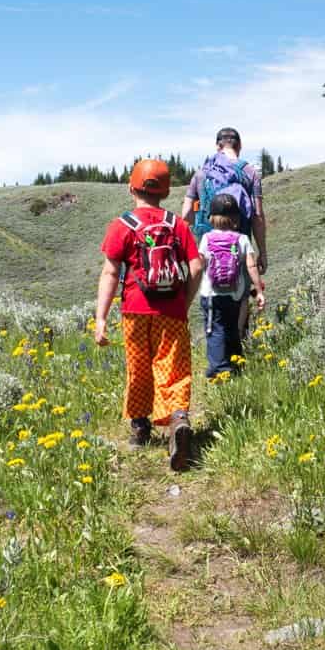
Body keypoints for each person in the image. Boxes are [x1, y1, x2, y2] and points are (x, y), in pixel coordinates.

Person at [95, 158, 203, 470]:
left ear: (132, 187)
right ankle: (178, 420)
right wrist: (184, 301)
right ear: (166, 192)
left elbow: (110, 273)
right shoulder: (176, 224)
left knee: (139, 368)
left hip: (134, 309)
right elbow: (196, 266)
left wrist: (101, 318)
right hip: (171, 310)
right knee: (172, 368)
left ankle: (140, 429)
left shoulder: (123, 225)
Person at [183, 127, 266, 277]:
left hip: (208, 249)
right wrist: (262, 252)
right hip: (239, 247)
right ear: (239, 146)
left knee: (210, 291)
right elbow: (257, 216)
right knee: (240, 295)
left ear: (217, 146)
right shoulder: (250, 172)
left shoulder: (201, 173)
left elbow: (186, 214)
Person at [198, 192, 265, 378]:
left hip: (211, 294)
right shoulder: (242, 239)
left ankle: (219, 371)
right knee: (233, 329)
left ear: (211, 217)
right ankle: (236, 366)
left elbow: (199, 264)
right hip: (235, 294)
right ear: (235, 218)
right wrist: (258, 290)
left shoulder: (206, 239)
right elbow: (251, 266)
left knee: (214, 330)